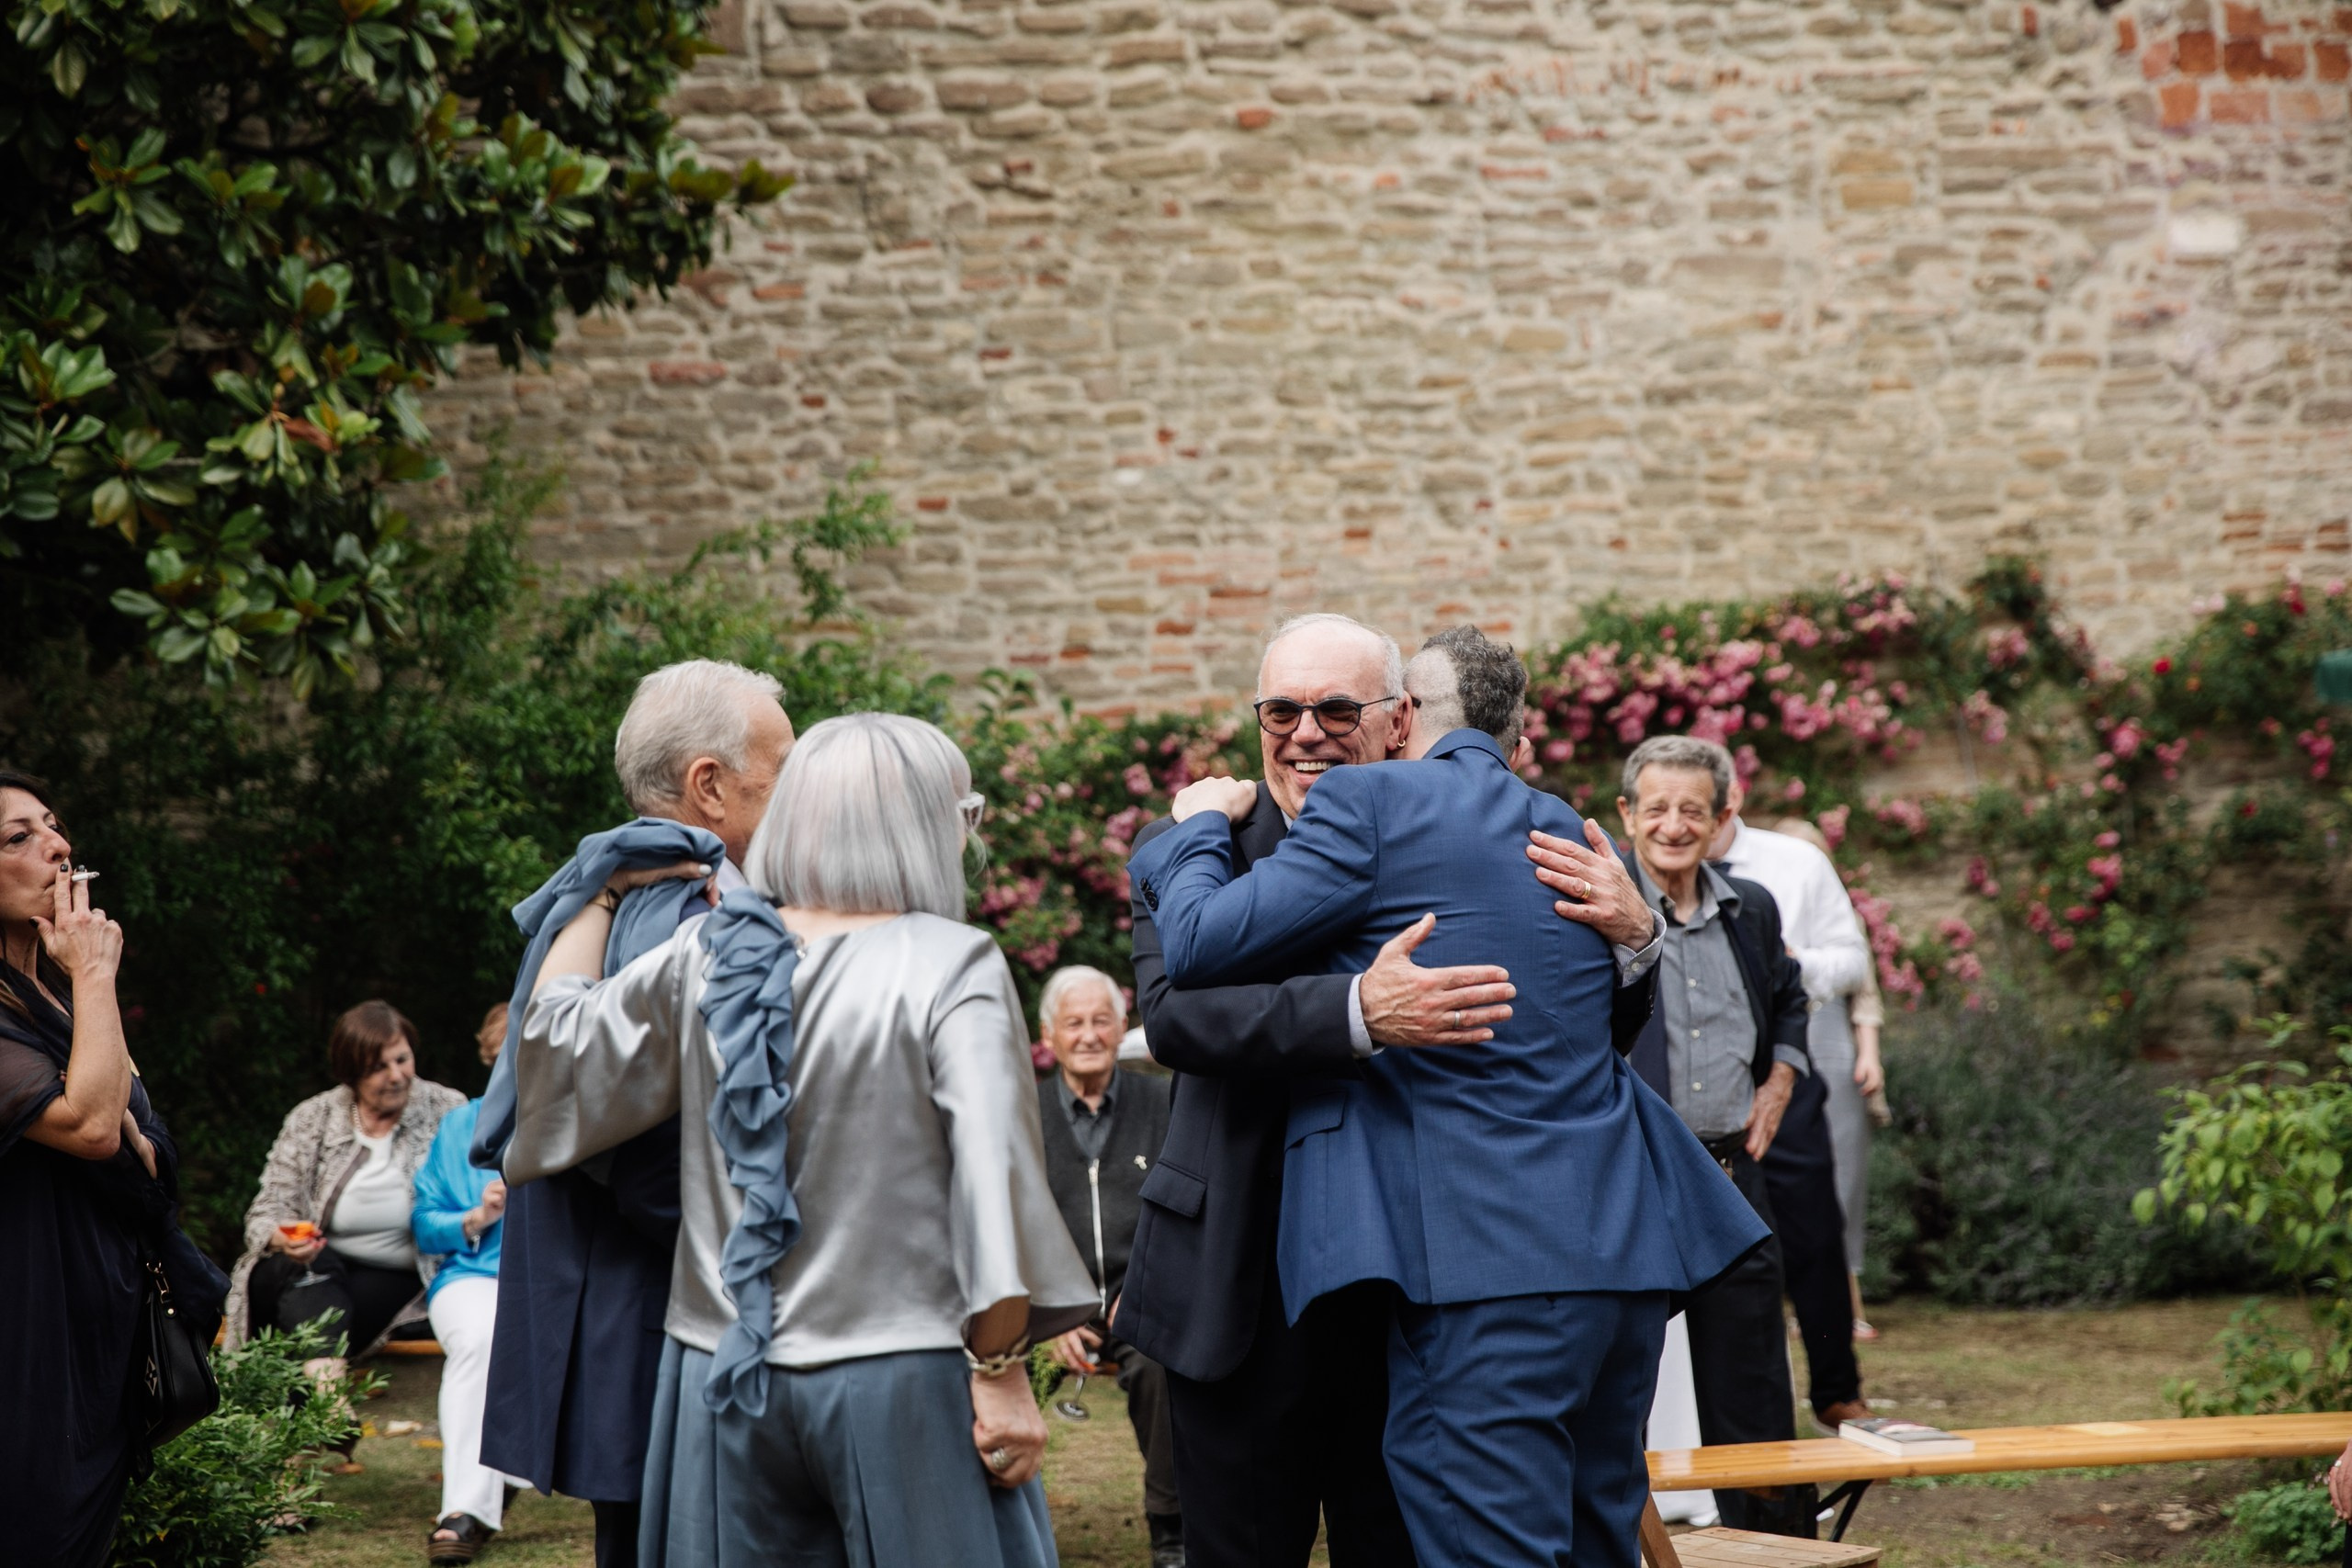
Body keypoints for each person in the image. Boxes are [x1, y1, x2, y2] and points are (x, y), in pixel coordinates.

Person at [1130, 627, 1767, 1568]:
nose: (1306, 733)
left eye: (1335, 711)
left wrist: (1639, 940)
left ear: (1393, 723)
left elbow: (1567, 1027)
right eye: (1280, 712)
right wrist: (1357, 1009)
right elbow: (1175, 1016)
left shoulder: (1472, 824)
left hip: (1419, 1276)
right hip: (1244, 1281)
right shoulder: (1192, 842)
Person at [506, 713, 1099, 1567]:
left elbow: (554, 1051)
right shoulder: (951, 963)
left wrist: (599, 889)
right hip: (900, 1375)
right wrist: (1003, 1372)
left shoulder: (709, 952)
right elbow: (992, 1182)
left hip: (716, 1377)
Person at [473, 659, 794, 1568]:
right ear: (710, 785)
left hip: (626, 1308)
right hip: (658, 1319)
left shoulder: (606, 889)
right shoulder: (685, 911)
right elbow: (659, 1155)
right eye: (783, 773)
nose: (798, 798)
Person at [1588, 735, 1820, 1537]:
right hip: (1635, 1180)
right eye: (1656, 808)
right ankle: (1613, 1546)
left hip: (1729, 1175)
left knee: (1752, 1387)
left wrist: (1782, 1074)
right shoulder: (1595, 910)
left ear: (1724, 820)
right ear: (1626, 815)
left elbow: (1791, 997)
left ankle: (1778, 1548)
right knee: (1616, 1387)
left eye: (1695, 809)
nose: (1675, 825)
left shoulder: (1750, 909)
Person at [1, 771, 221, 1568]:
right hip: (29, 1340)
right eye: (18, 837)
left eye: (53, 826)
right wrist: (96, 972)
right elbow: (100, 1127)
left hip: (99, 1329)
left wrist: (78, 985)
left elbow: (149, 1135)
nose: (57, 847)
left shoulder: (46, 999)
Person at [1699, 789, 1873, 1432]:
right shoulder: (1649, 877)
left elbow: (1854, 959)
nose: (1684, 820)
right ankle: (1725, 1410)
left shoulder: (1796, 862)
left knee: (1812, 1230)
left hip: (1785, 1065)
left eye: (1698, 807)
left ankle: (1836, 1387)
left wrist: (1796, 966)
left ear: (1729, 802)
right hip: (1695, 1080)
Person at [228, 1000, 466, 1427]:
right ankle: (330, 1404)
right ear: (350, 1072)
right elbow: (266, 1212)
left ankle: (317, 1416)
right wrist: (284, 1239)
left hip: (399, 1279)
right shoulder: (314, 1118)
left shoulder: (447, 1111)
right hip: (304, 1267)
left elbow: (466, 1199)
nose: (395, 1076)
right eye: (378, 1067)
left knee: (314, 1311)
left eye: (402, 1059)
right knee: (310, 1272)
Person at [1033, 964, 1183, 1567]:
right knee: (978, 1369)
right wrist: (1043, 1315)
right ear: (1049, 1034)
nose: (1090, 1034)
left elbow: (1187, 1212)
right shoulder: (1021, 1109)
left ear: (1124, 1026)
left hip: (1140, 1302)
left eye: (1102, 1020)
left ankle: (1170, 1528)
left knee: (1162, 1367)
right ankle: (990, 1527)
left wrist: (1146, 1292)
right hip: (1044, 1311)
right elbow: (1001, 1218)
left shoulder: (1168, 1099)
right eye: (1074, 1022)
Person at [413, 1002, 527, 1563]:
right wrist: (476, 1218)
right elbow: (424, 1226)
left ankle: (502, 1472)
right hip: (472, 1276)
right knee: (482, 1340)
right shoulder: (461, 1126)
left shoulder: (577, 1118)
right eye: (511, 1051)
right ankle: (462, 1512)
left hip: (549, 1283)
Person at [1769, 814, 1887, 1343]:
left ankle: (1846, 1303)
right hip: (1782, 1033)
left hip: (1831, 1035)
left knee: (1840, 1174)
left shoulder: (1840, 918)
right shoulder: (1756, 903)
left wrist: (1870, 1055)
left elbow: (1866, 990)